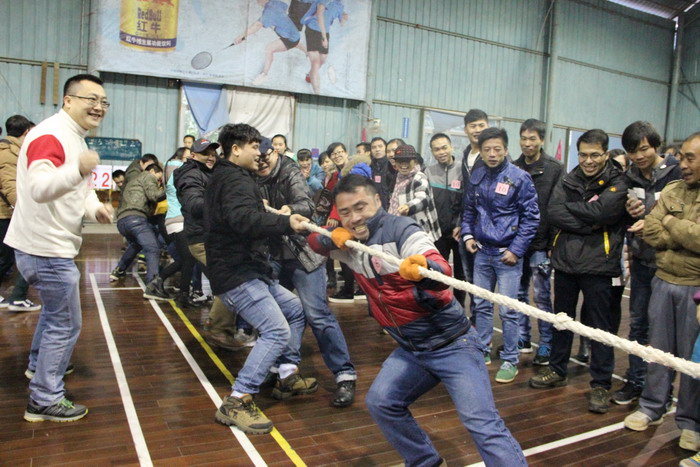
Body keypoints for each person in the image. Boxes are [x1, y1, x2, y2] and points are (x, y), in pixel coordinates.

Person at [306, 174, 526, 466]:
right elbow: (312, 238)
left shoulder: (401, 229)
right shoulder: (351, 243)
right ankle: (425, 462)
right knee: (381, 402)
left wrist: (424, 269)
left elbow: (441, 270)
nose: (354, 218)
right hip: (413, 348)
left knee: (482, 424)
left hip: (453, 344)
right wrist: (329, 236)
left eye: (361, 207)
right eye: (345, 212)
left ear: (378, 201)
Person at [5, 73, 114, 422]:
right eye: (90, 99)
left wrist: (94, 209)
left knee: (55, 316)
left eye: (103, 102)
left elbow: (81, 190)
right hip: (46, 248)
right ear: (68, 100)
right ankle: (44, 398)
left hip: (48, 246)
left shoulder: (74, 137)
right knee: (65, 324)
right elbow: (39, 188)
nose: (98, 107)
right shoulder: (51, 135)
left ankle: (38, 365)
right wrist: (77, 168)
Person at [209, 123, 317, 434]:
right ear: (236, 149)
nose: (260, 153)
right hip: (237, 273)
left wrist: (275, 215)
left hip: (251, 269)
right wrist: (286, 222)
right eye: (254, 147)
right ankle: (238, 399)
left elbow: (241, 216)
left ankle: (285, 373)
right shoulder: (233, 179)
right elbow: (243, 220)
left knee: (294, 310)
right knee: (276, 330)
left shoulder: (233, 177)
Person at [529, 129, 628, 414]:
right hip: (565, 262)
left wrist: (582, 213)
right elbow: (554, 212)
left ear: (606, 154)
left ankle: (601, 384)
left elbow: (605, 213)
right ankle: (557, 368)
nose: (588, 161)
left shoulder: (618, 181)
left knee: (600, 328)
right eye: (583, 155)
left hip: (600, 265)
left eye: (595, 155)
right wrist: (590, 223)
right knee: (562, 320)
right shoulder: (569, 178)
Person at [255, 138, 357, 407]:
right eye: (257, 158)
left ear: (276, 152)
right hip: (271, 257)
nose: (262, 162)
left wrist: (290, 210)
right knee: (276, 314)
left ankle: (344, 374)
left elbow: (304, 203)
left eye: (266, 156)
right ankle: (282, 368)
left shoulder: (289, 171)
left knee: (318, 315)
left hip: (303, 255)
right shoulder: (250, 177)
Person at [623, 132, 700, 454]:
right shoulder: (672, 190)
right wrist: (677, 232)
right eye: (682, 157)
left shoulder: (669, 199)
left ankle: (691, 422)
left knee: (692, 359)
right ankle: (652, 406)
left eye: (690, 158)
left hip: (695, 288)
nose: (683, 164)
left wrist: (669, 220)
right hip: (663, 280)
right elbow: (651, 231)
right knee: (658, 350)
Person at [461, 127, 539, 384]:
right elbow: (469, 210)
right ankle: (482, 348)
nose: (492, 154)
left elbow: (531, 218)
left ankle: (510, 359)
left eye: (497, 149)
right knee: (481, 305)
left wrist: (516, 250)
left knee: (508, 310)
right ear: (481, 152)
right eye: (487, 150)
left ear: (506, 149)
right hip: (482, 252)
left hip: (507, 255)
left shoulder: (520, 178)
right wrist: (468, 236)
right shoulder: (477, 175)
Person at [612, 121, 681, 405]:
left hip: (670, 264)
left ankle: (662, 390)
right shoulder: (629, 176)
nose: (639, 156)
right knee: (638, 325)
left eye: (643, 149)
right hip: (641, 261)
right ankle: (636, 381)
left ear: (656, 145)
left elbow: (683, 219)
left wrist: (652, 220)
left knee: (664, 331)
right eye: (632, 151)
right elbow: (625, 216)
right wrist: (629, 212)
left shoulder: (677, 174)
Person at [175, 138, 253, 350]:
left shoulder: (211, 173)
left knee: (228, 279)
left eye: (212, 153)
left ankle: (219, 325)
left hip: (213, 237)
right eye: (205, 154)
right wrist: (226, 203)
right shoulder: (190, 175)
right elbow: (194, 204)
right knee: (230, 278)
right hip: (201, 238)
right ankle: (219, 328)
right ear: (193, 155)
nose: (210, 157)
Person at [512, 118, 563, 365]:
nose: (527, 143)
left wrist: (553, 244)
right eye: (523, 138)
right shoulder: (513, 167)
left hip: (541, 245)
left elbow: (556, 208)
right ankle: (523, 338)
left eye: (532, 139)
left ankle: (546, 344)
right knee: (518, 293)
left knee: (542, 297)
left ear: (542, 140)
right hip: (516, 244)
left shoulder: (555, 169)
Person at [0, 115, 42, 311]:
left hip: (10, 212)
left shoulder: (14, 150)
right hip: (6, 213)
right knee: (9, 257)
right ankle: (17, 297)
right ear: (26, 132)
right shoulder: (8, 152)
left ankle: (18, 296)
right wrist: (24, 209)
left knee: (11, 257)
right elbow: (9, 185)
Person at [111, 163, 170, 299]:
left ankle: (119, 270)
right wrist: (171, 187)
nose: (158, 181)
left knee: (136, 244)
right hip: (136, 219)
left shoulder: (134, 181)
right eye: (159, 178)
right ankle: (152, 287)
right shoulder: (148, 176)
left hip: (123, 221)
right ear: (152, 171)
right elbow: (154, 195)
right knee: (153, 248)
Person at [326, 142, 371, 303]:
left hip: (356, 218)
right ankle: (354, 288)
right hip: (348, 218)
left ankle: (352, 290)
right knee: (348, 252)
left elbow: (348, 197)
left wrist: (335, 215)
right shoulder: (336, 174)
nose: (337, 156)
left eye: (340, 152)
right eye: (333, 154)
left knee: (354, 252)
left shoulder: (355, 170)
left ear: (346, 153)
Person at [425, 133, 466, 306]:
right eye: (437, 149)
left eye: (444, 147)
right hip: (438, 233)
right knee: (438, 273)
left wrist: (461, 224)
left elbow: (468, 201)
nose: (441, 152)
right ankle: (440, 308)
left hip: (459, 231)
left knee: (461, 275)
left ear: (451, 147)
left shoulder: (463, 170)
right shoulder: (428, 172)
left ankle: (460, 308)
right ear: (432, 152)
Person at [457, 109, 489, 316]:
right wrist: (460, 223)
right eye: (473, 126)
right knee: (469, 279)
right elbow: (465, 194)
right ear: (466, 129)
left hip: (486, 231)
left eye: (481, 125)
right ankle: (474, 320)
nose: (477, 130)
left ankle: (481, 323)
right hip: (467, 226)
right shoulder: (466, 154)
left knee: (483, 283)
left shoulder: (493, 155)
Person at [233, 0, 308, 87]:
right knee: (296, 43)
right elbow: (283, 7)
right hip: (293, 33)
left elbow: (257, 25)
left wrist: (241, 36)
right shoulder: (276, 3)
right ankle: (308, 52)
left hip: (289, 38)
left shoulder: (268, 13)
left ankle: (264, 74)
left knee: (269, 49)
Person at [163, 147, 199, 308]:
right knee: (188, 259)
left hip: (174, 218)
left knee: (186, 259)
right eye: (188, 157)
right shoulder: (179, 170)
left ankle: (183, 291)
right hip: (179, 219)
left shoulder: (169, 168)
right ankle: (182, 293)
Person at [388, 144, 441, 241]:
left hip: (419, 230)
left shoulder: (419, 177)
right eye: (400, 161)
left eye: (407, 160)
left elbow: (423, 198)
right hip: (401, 227)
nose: (403, 164)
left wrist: (409, 206)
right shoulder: (399, 176)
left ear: (415, 161)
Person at [300, 0, 347, 93]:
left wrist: (344, 18)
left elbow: (341, 22)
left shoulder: (340, 5)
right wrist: (324, 37)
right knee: (315, 62)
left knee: (322, 60)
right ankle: (317, 92)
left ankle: (310, 75)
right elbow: (319, 15)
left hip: (325, 32)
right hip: (313, 30)